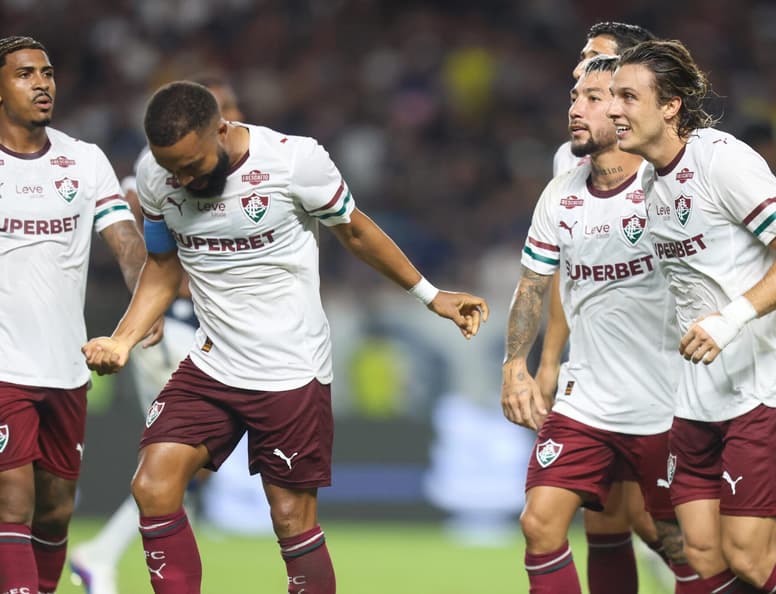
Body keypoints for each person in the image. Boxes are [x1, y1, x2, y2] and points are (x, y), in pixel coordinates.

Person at [81, 81, 489, 594]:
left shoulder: (293, 161)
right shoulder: (155, 177)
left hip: (290, 370)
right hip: (212, 363)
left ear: (221, 131)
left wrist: (431, 296)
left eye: (191, 165)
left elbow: (356, 231)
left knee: (291, 518)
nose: (181, 178)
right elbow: (162, 267)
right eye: (171, 168)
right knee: (153, 485)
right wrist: (122, 339)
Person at [607, 39, 776, 593]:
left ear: (670, 105)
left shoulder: (722, 160)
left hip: (762, 386)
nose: (614, 109)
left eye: (628, 96)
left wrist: (732, 316)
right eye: (612, 96)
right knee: (701, 551)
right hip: (698, 393)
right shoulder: (648, 183)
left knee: (749, 556)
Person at [501, 56, 698, 594]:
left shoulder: (668, 187)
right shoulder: (560, 194)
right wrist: (516, 364)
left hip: (666, 402)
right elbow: (532, 285)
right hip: (585, 401)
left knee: (676, 542)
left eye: (592, 98)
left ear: (625, 109)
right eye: (574, 98)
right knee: (539, 522)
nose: (575, 109)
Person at [68, 73, 246, 594]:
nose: (232, 118)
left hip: (208, 333)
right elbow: (137, 238)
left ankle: (100, 555)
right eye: (225, 107)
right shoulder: (156, 173)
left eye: (233, 107)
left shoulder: (234, 170)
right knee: (178, 460)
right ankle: (98, 556)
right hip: (171, 328)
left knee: (188, 468)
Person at [0, 36, 156, 593]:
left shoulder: (84, 160)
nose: (42, 83)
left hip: (66, 368)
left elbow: (126, 242)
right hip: (4, 366)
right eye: (24, 74)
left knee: (55, 510)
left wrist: (143, 301)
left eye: (46, 72)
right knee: (12, 499)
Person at [540, 23, 676, 594]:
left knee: (659, 525)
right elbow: (565, 268)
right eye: (581, 62)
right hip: (598, 376)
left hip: (667, 374)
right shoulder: (571, 162)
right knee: (603, 517)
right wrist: (550, 359)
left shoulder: (670, 156)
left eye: (597, 62)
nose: (580, 71)